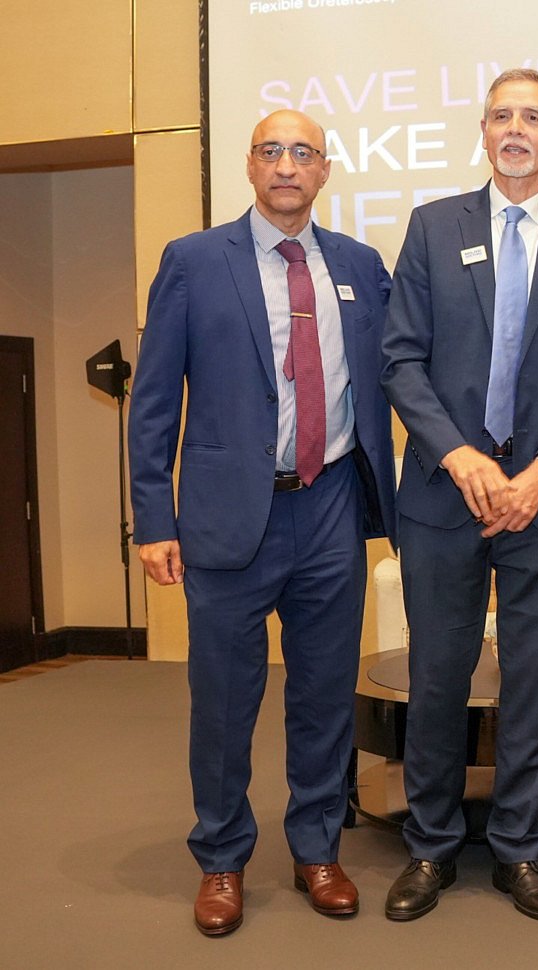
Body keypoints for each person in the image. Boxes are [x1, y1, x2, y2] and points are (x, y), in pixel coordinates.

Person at [128, 109, 397, 936]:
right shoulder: (193, 261)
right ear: (250, 166)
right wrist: (152, 517)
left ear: (325, 171)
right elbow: (152, 403)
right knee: (223, 700)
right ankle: (221, 857)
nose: (288, 165)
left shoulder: (359, 265)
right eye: (273, 151)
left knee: (321, 696)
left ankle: (317, 848)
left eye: (304, 153)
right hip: (222, 516)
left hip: (329, 510)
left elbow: (396, 378)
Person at [379, 68, 538, 923]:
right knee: (438, 677)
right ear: (482, 132)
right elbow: (400, 360)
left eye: (535, 117)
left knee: (532, 680)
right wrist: (457, 456)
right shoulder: (429, 228)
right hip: (444, 494)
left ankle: (522, 850)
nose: (516, 129)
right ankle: (431, 846)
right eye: (501, 116)